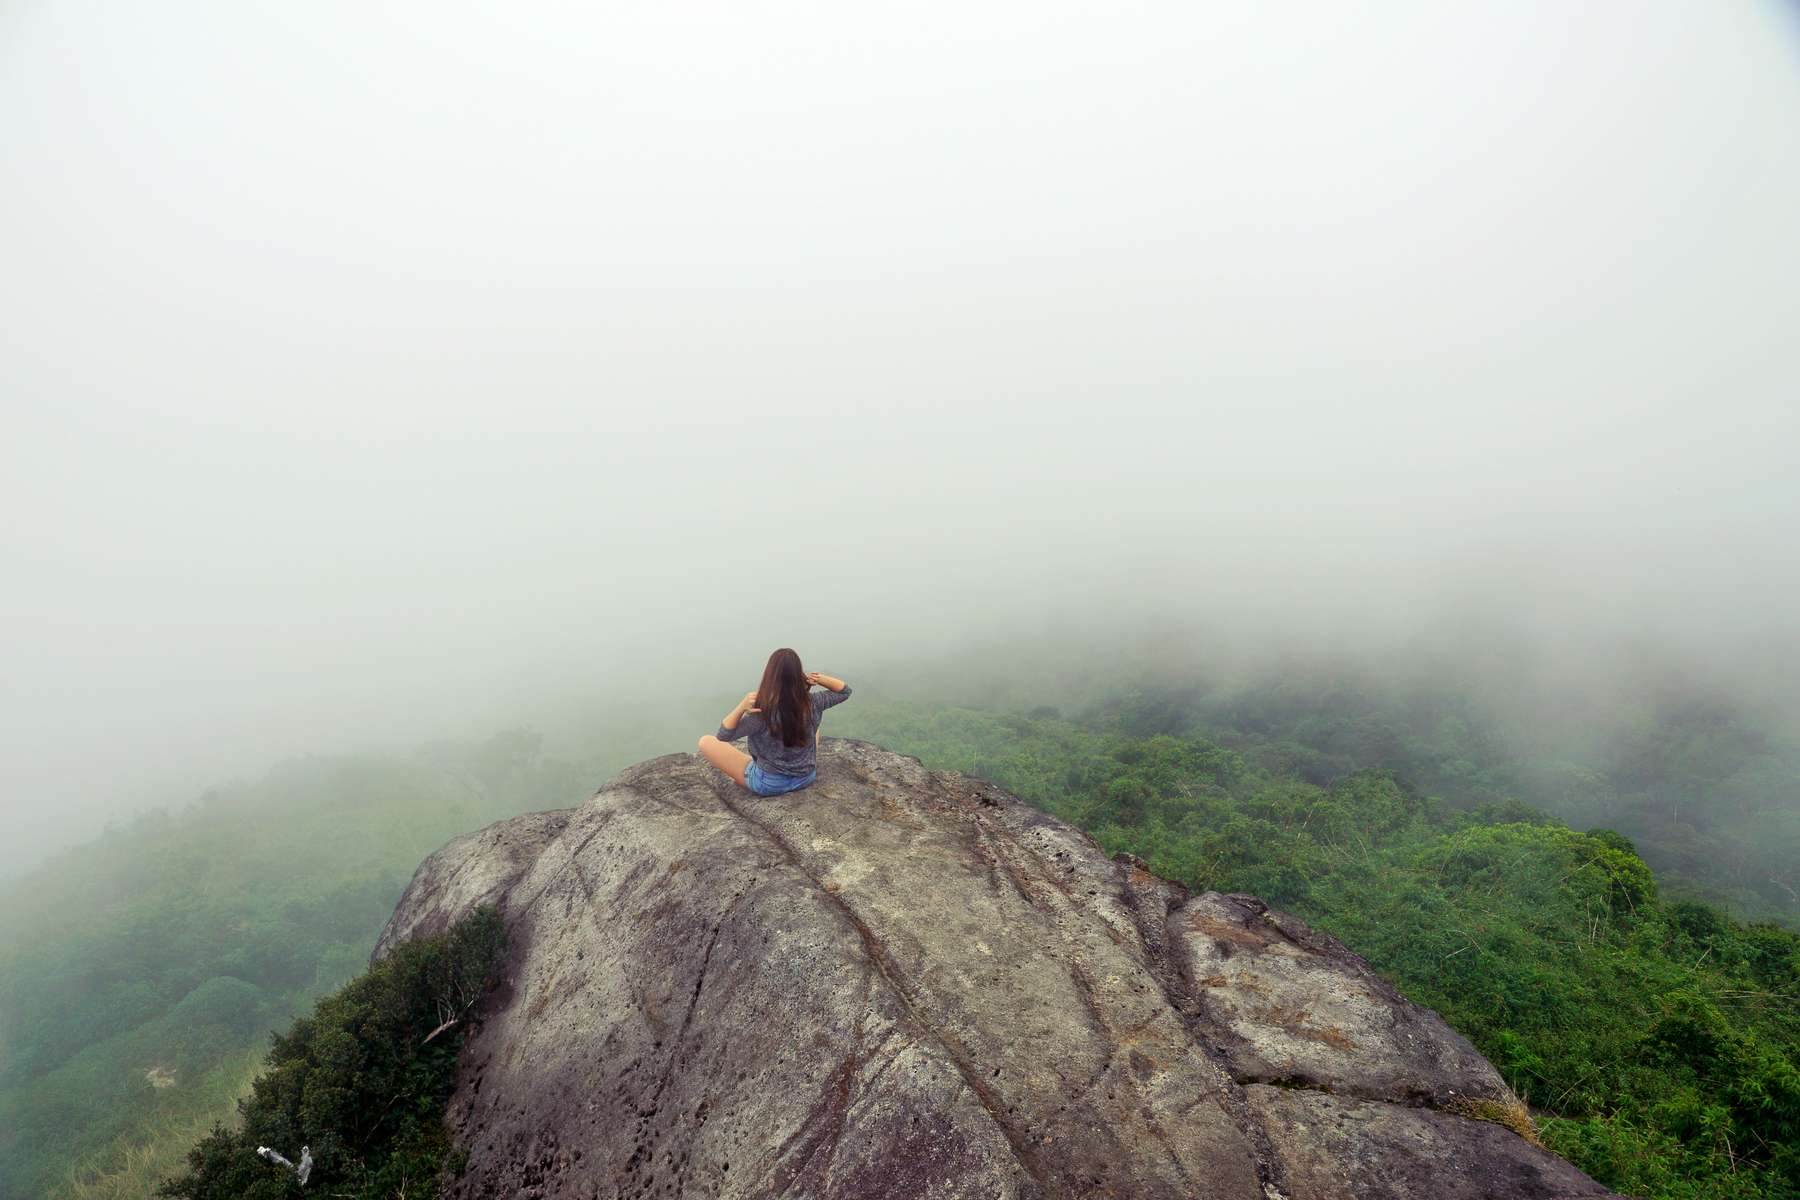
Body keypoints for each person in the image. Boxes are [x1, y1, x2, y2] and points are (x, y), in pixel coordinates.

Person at [696, 648, 851, 796]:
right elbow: (845, 691)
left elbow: (723, 735)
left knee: (706, 741)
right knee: (815, 730)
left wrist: (742, 707)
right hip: (805, 778)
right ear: (799, 675)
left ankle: (764, 768)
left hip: (769, 784)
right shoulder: (814, 702)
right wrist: (820, 678)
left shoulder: (762, 713)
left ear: (769, 677)